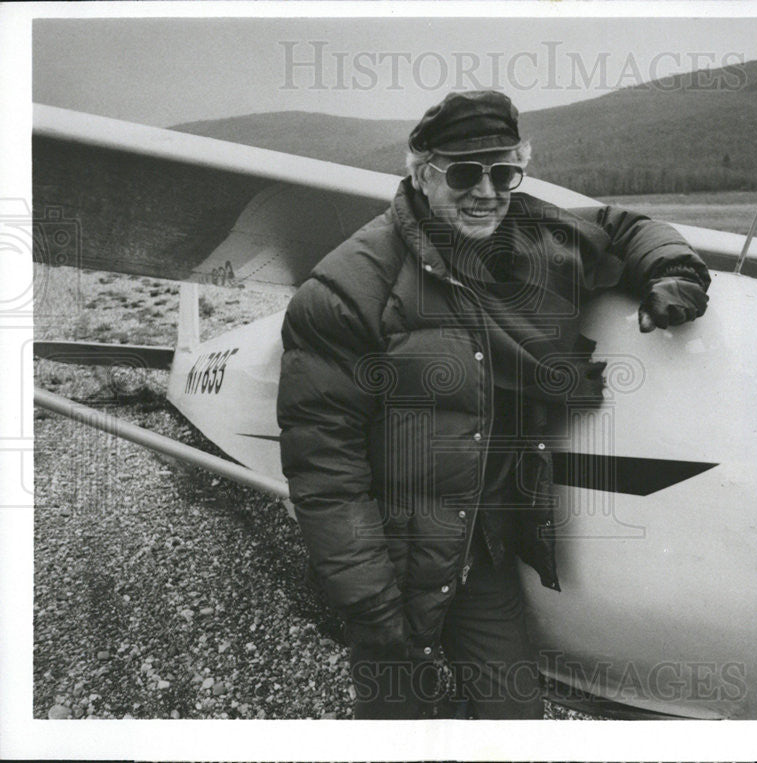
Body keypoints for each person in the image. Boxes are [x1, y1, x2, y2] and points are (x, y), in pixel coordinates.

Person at [276, 90, 711, 719]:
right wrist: (371, 608)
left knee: (515, 725)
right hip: (395, 570)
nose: (487, 192)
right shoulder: (346, 290)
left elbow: (622, 226)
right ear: (421, 174)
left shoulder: (540, 239)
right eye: (463, 173)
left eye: (504, 172)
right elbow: (325, 472)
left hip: (484, 557)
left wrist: (674, 271)